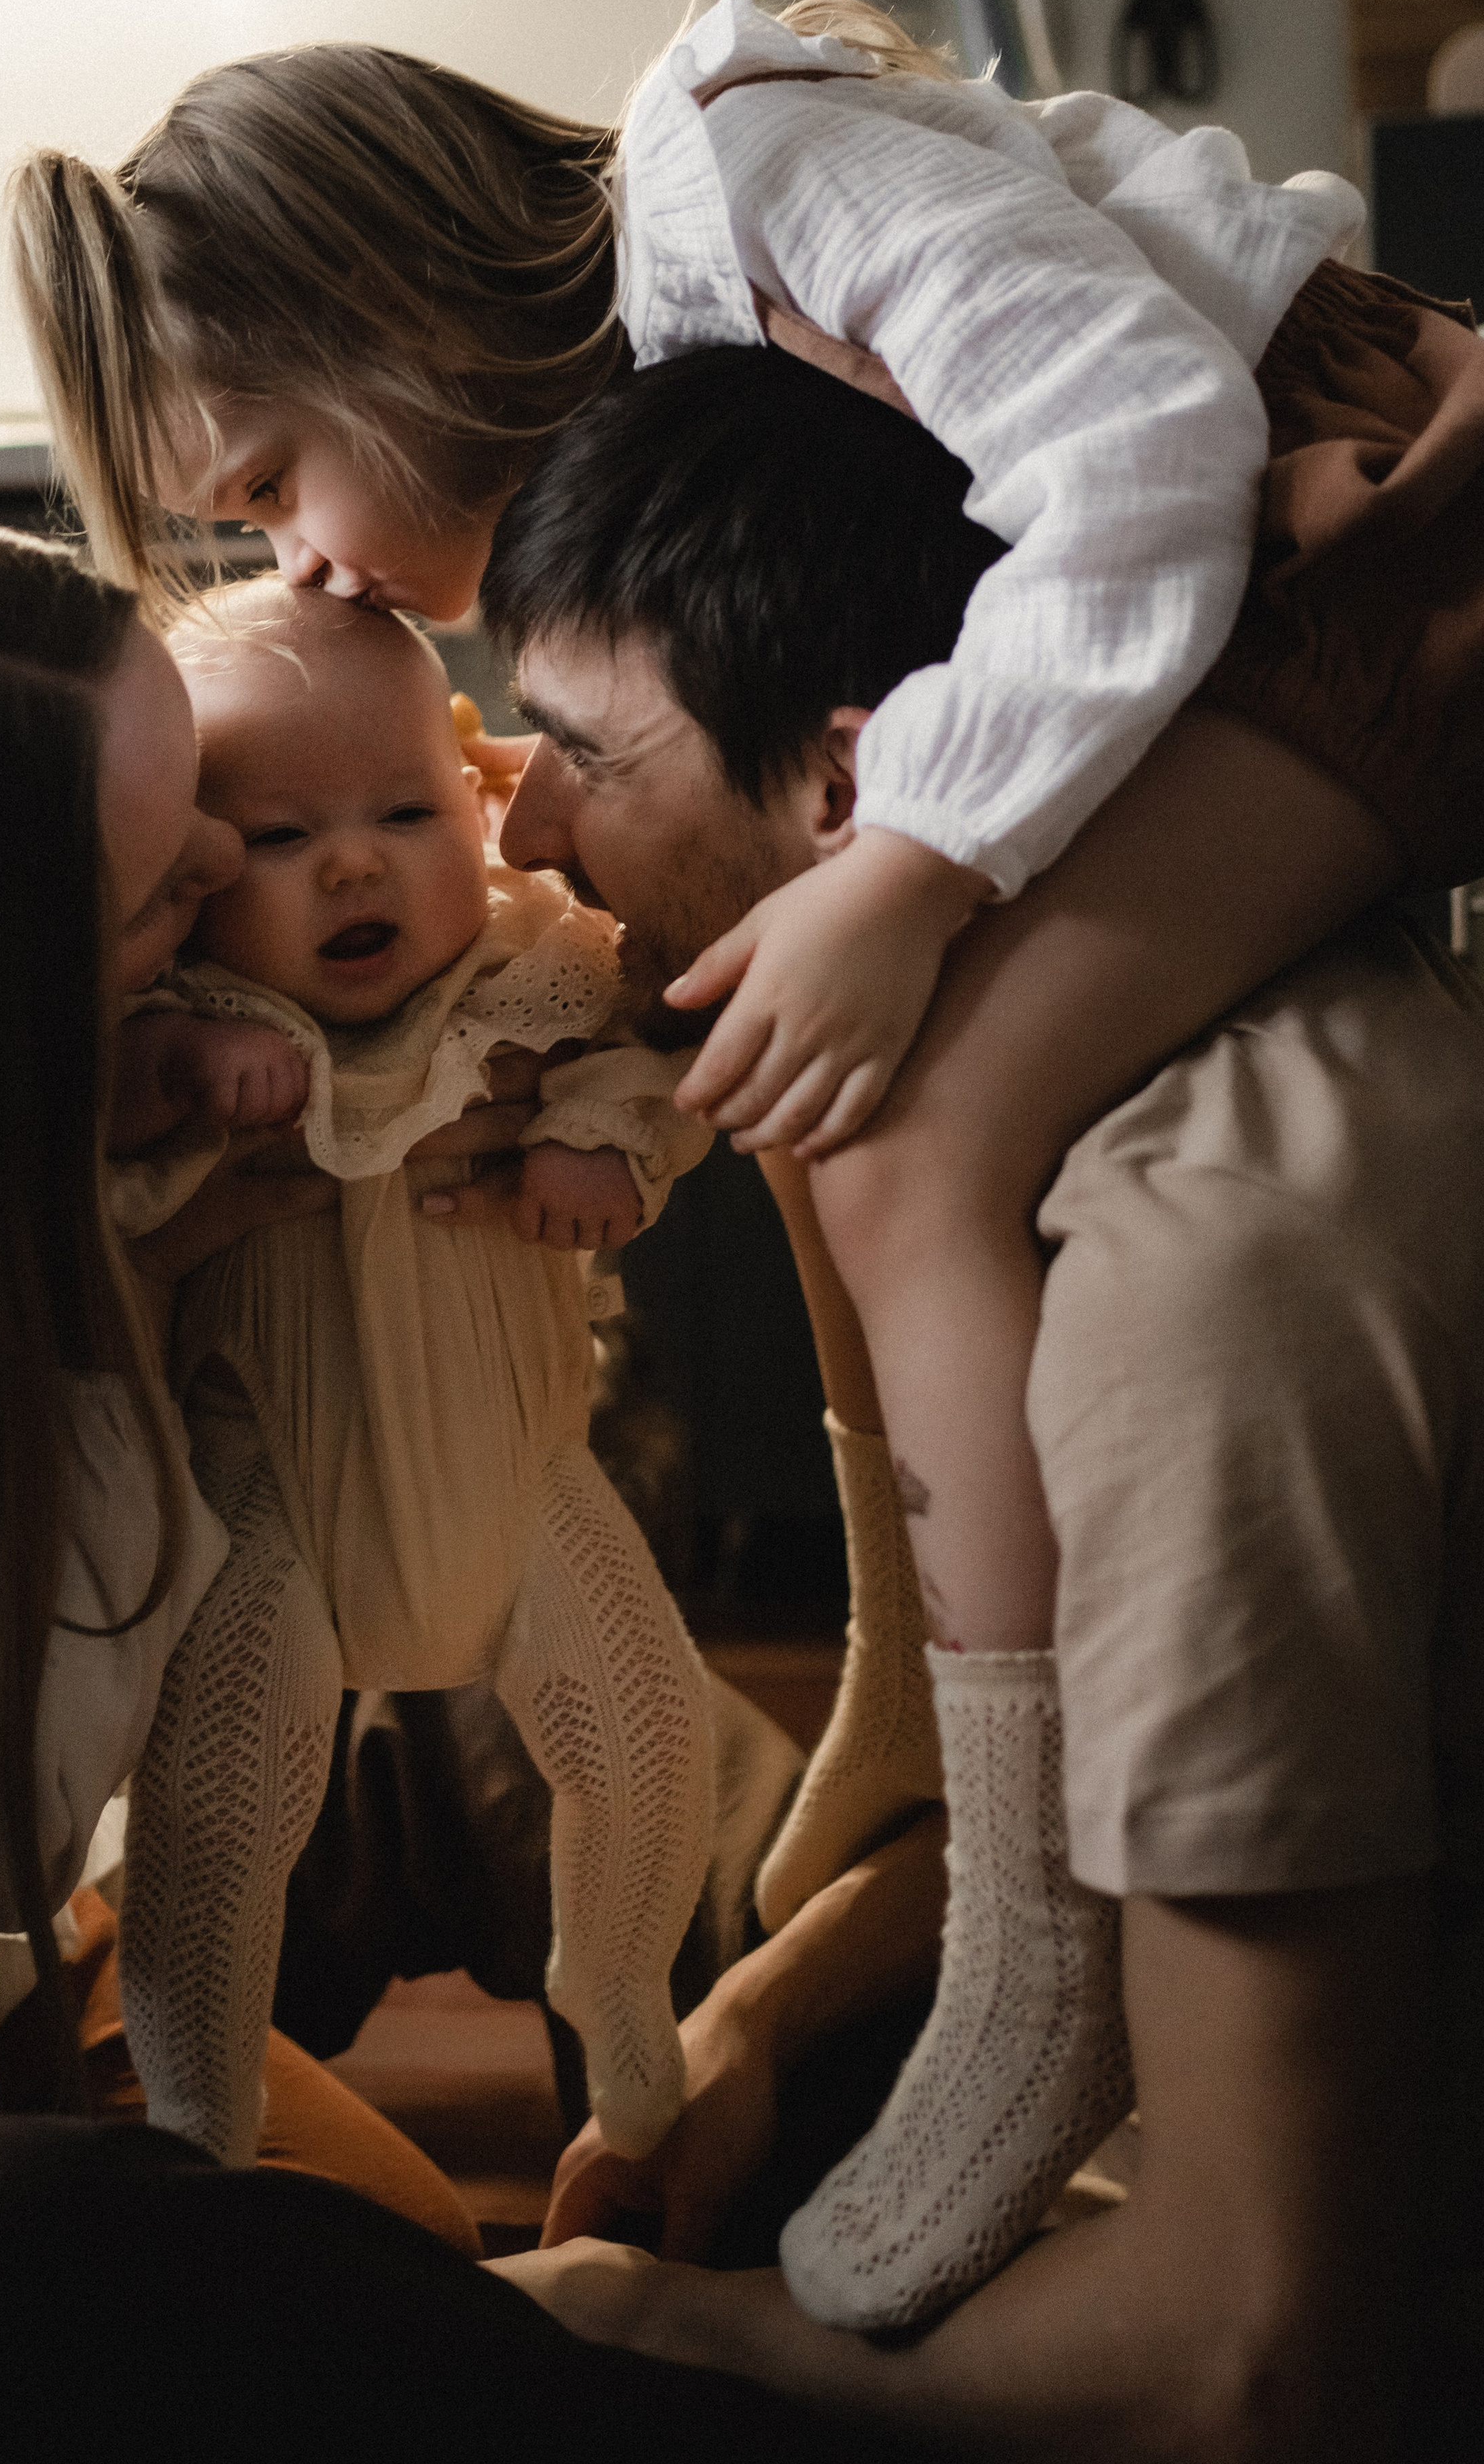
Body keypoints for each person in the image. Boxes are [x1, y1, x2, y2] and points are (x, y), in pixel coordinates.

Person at [7, 0, 1484, 2322]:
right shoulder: (722, 384)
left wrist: (911, 879)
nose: (316, 570)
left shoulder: (767, 172)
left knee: (915, 1112)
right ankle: (943, 1792)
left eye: (279, 481)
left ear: (388, 328)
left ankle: (1033, 1936)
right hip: (1308, 589)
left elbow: (1148, 442)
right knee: (812, 1079)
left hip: (1402, 568)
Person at [0, 496, 901, 2464]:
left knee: (619, 1804)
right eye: (172, 891)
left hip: (29, 1963)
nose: (258, 860)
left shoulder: (87, 1249)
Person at [453, 343, 1482, 2456]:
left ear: (848, 787)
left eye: (572, 743)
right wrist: (775, 2008)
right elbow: (1110, 1810)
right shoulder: (1076, 1071)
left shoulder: (1192, 1297)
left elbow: (1262, 2355)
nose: (516, 816)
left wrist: (662, 2334)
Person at [101, 574, 718, 2167]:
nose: (357, 861)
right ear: (187, 874)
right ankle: (194, 2091)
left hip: (522, 1475)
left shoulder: (528, 980)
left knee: (649, 1733)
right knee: (222, 1801)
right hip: (274, 1505)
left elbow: (663, 1064)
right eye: (285, 841)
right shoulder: (190, 1014)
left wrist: (600, 1140)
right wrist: (173, 1075)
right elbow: (82, 1150)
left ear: (476, 793)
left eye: (399, 810)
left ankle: (619, 1974)